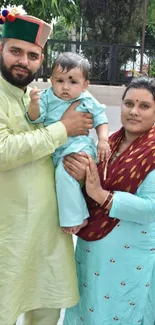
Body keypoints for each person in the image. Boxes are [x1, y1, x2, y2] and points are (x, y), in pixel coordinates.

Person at [0, 5, 94, 325]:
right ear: (1, 49)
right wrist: (62, 129)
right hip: (8, 238)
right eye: (16, 51)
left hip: (47, 235)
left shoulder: (39, 98)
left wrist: (81, 171)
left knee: (46, 314)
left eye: (33, 55)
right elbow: (3, 151)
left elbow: (62, 153)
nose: (23, 61)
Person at [63, 77, 155, 325]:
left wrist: (100, 194)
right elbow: (88, 181)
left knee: (120, 312)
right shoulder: (109, 143)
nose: (134, 111)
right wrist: (82, 179)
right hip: (91, 249)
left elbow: (150, 209)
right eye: (129, 103)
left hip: (129, 256)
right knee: (86, 308)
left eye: (144, 106)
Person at [27, 52, 110, 234]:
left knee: (65, 174)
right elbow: (35, 118)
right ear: (51, 80)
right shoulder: (47, 96)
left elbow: (100, 118)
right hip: (56, 149)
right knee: (62, 181)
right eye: (60, 80)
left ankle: (75, 219)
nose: (65, 87)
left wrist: (103, 139)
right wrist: (34, 103)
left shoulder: (85, 98)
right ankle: (79, 214)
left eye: (73, 82)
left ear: (85, 85)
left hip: (78, 146)